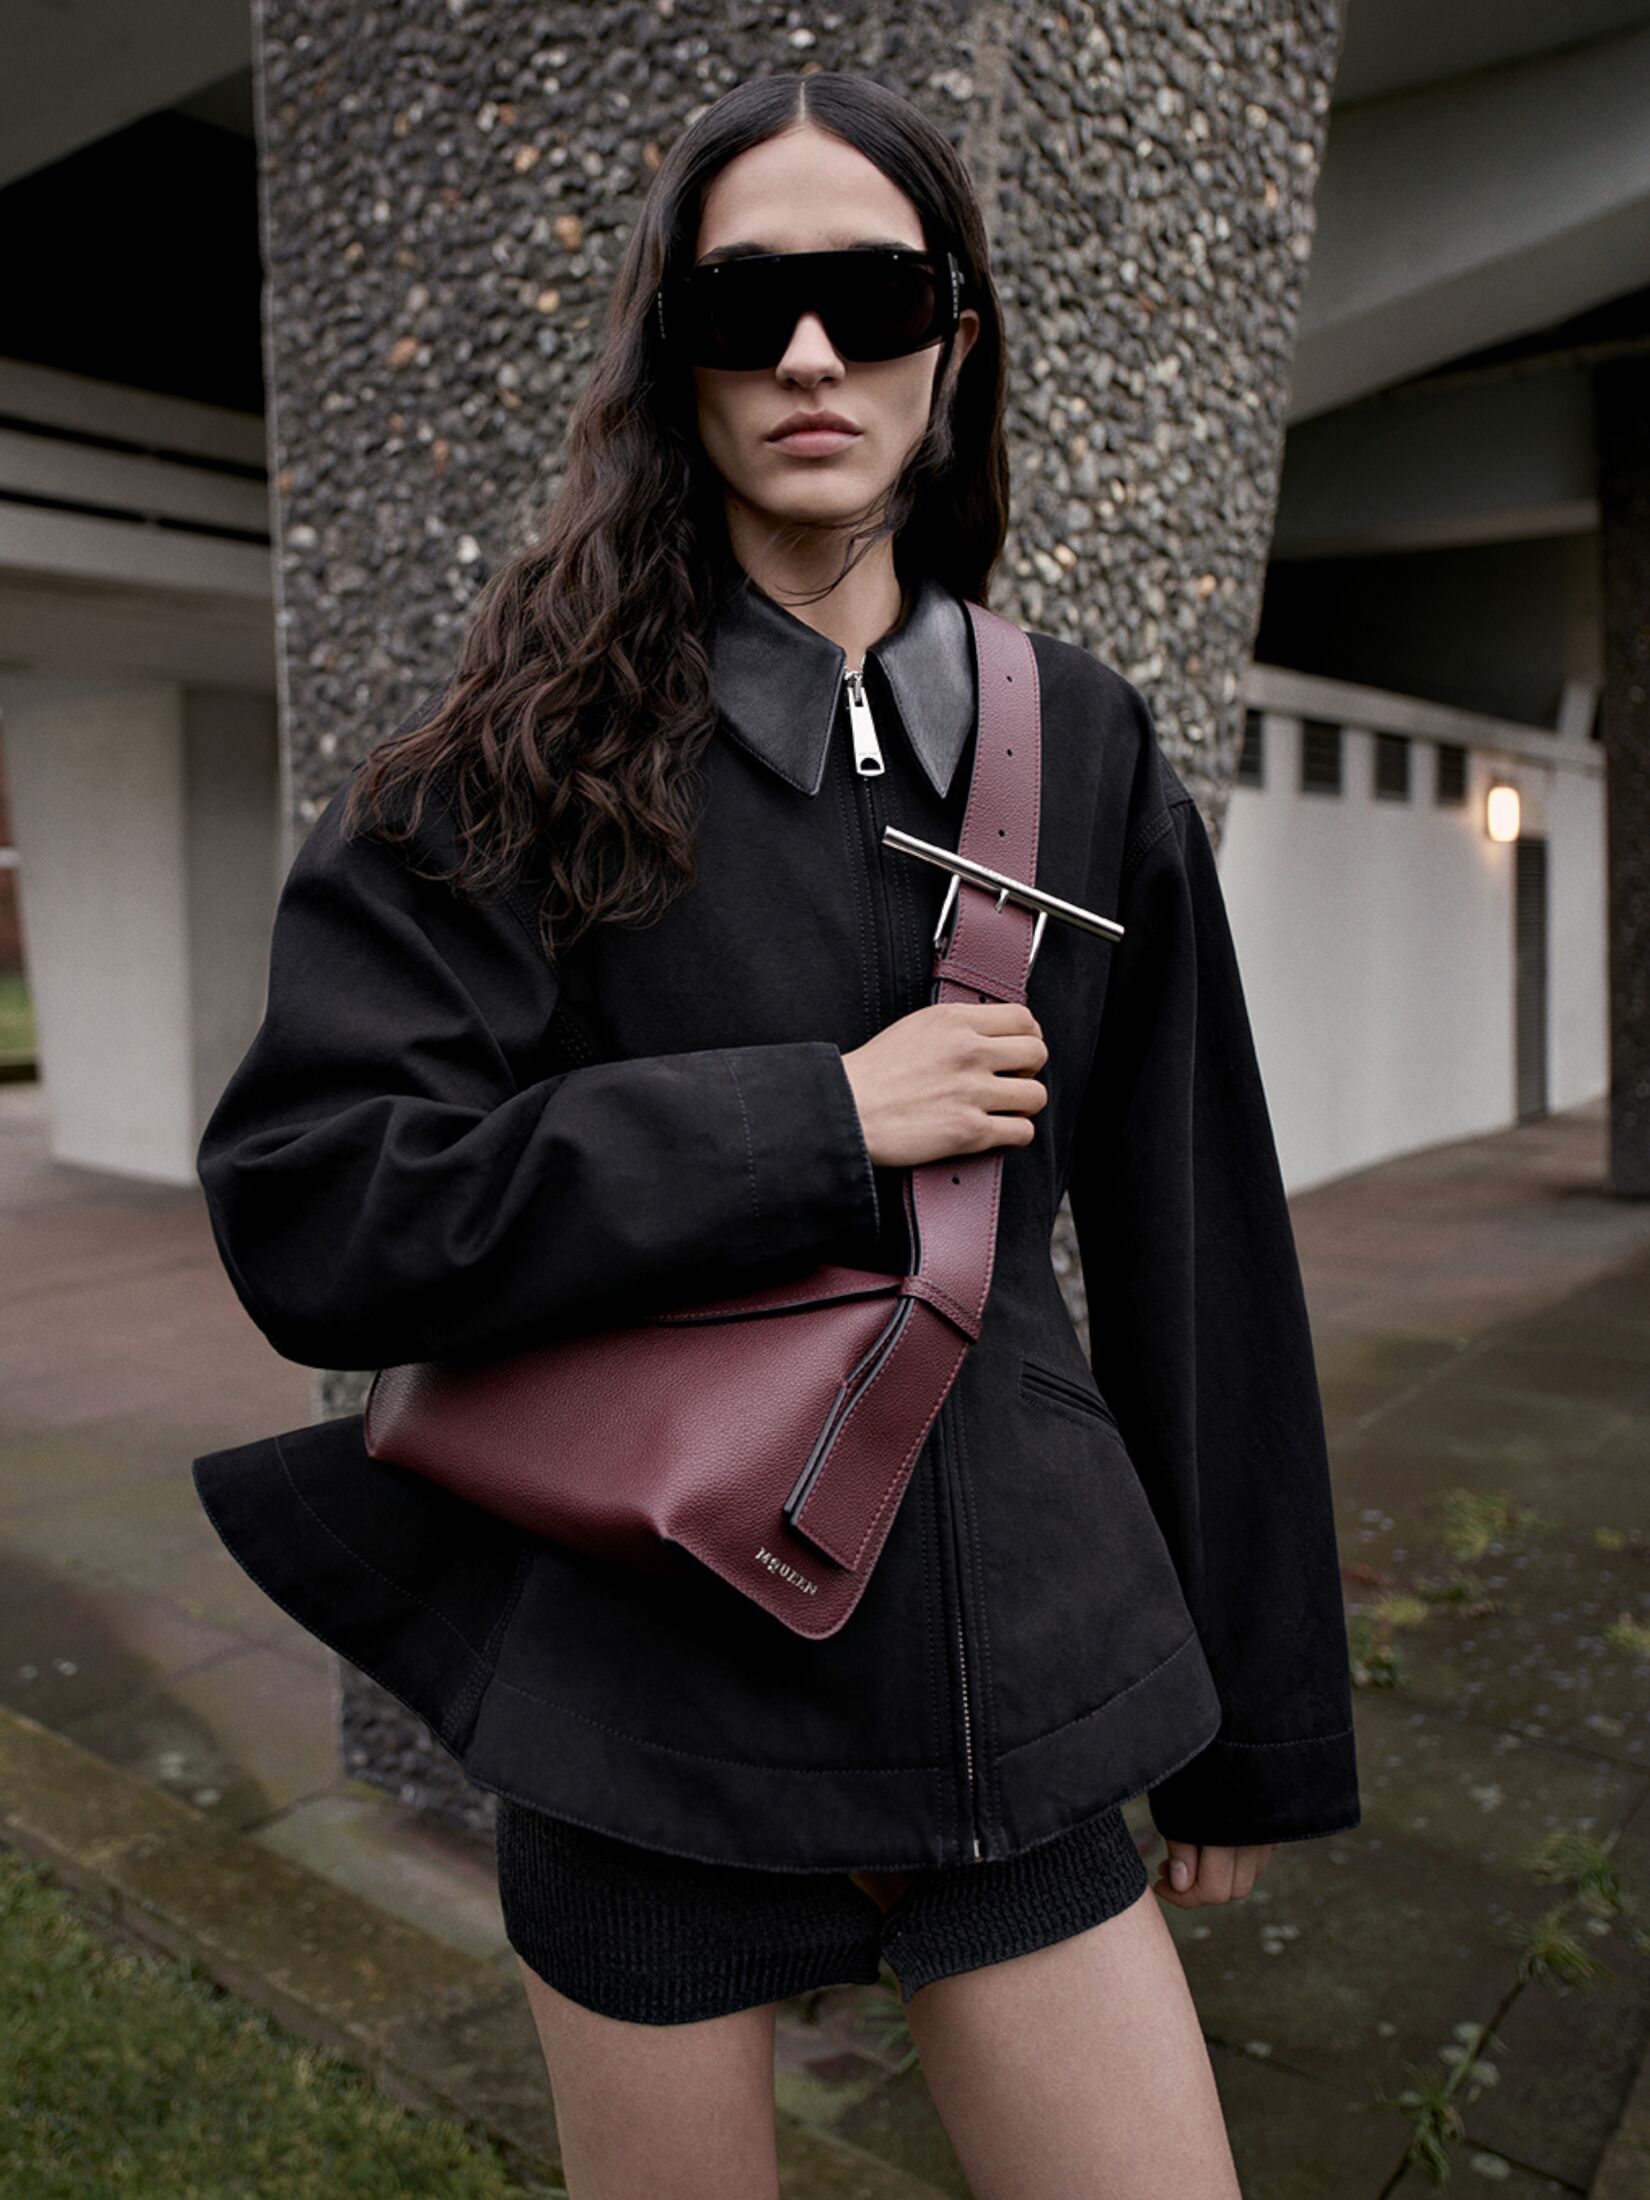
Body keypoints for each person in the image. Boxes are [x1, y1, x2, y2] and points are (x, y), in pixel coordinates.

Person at [192, 67, 1360, 2200]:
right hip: (646, 1708)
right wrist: (810, 1120)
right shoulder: (510, 754)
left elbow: (1198, 1241)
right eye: (749, 306)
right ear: (673, 353)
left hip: (1021, 1687)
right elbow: (318, 1210)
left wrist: (1262, 1718)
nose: (812, 352)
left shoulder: (1077, 740)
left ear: (957, 333)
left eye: (871, 288)